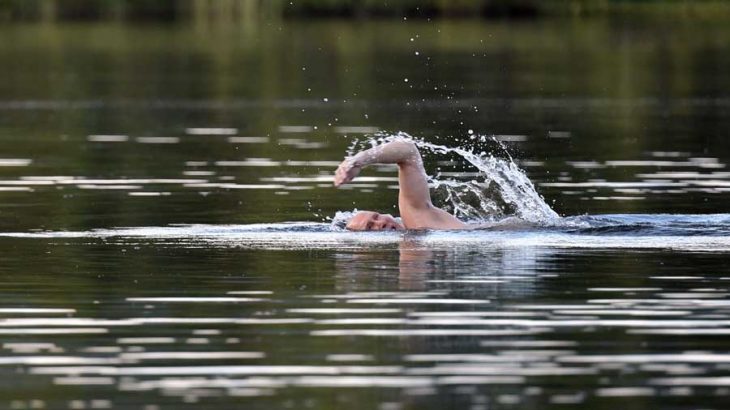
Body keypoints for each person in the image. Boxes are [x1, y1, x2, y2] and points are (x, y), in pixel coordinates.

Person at [334, 138, 467, 231]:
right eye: (370, 227)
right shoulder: (413, 241)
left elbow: (408, 151)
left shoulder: (418, 220)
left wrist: (358, 161)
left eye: (376, 216)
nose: (380, 223)